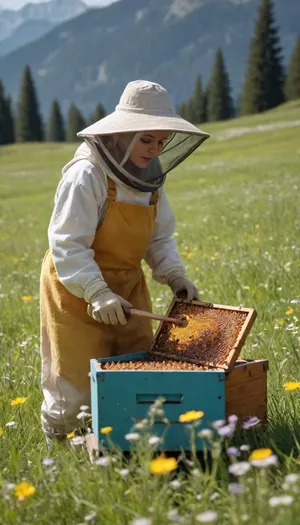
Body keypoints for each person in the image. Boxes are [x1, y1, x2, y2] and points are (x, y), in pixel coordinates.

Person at [40, 80, 209, 441]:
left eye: (161, 141)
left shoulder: (151, 178)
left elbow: (159, 236)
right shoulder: (86, 174)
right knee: (76, 383)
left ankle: (125, 442)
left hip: (129, 284)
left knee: (136, 367)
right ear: (123, 133)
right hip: (76, 286)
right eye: (146, 139)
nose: (154, 149)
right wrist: (97, 292)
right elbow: (67, 244)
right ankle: (64, 444)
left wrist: (175, 275)